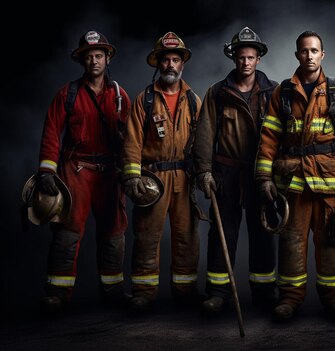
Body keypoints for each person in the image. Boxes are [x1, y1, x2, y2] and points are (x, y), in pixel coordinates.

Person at [254, 30, 335, 322]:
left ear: (322, 55)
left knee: (329, 244)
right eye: (304, 51)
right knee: (291, 243)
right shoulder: (283, 93)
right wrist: (264, 178)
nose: (309, 55)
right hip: (293, 185)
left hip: (328, 182)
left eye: (314, 51)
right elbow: (269, 138)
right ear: (297, 55)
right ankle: (290, 298)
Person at [36, 30, 131, 313]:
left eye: (98, 55)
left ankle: (112, 289)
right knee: (67, 229)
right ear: (82, 61)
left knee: (114, 230)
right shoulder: (67, 94)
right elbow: (52, 132)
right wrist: (46, 171)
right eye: (88, 57)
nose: (94, 61)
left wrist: (130, 171)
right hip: (75, 169)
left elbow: (131, 140)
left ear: (107, 57)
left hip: (109, 172)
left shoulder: (119, 96)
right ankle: (57, 293)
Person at [193, 27, 278, 315]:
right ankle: (218, 293)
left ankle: (265, 293)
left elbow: (282, 136)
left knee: (263, 233)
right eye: (241, 58)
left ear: (258, 59)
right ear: (234, 59)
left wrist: (277, 173)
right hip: (226, 174)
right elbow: (205, 134)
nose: (246, 63)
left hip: (260, 174)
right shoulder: (217, 93)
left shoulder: (273, 92)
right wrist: (204, 171)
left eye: (250, 57)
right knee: (221, 234)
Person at [121, 32, 203, 312]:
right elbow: (132, 141)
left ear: (183, 64)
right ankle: (143, 292)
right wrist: (133, 177)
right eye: (166, 59)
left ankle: (185, 289)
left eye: (176, 59)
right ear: (158, 63)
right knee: (147, 235)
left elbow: (203, 142)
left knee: (186, 235)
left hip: (184, 177)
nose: (171, 64)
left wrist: (204, 173)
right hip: (152, 179)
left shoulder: (194, 100)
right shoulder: (144, 99)